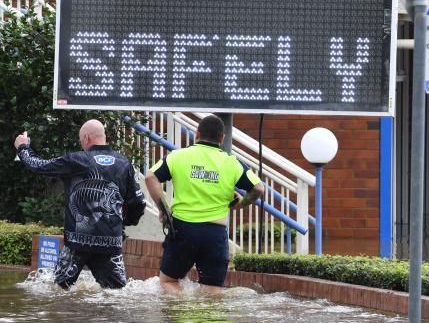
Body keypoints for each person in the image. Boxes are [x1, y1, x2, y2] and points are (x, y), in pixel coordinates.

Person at [14, 119, 145, 289]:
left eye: (80, 140)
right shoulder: (124, 163)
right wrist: (124, 223)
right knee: (116, 294)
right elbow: (139, 202)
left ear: (86, 137)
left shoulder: (76, 160)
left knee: (58, 290)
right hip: (110, 242)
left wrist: (23, 147)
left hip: (77, 243)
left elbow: (39, 166)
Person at [145, 115, 264, 294]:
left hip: (183, 231)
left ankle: (182, 310)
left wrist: (164, 209)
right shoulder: (232, 163)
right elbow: (258, 189)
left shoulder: (178, 156)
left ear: (197, 134)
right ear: (222, 139)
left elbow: (150, 177)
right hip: (215, 235)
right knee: (212, 291)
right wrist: (240, 204)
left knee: (169, 281)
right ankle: (207, 321)